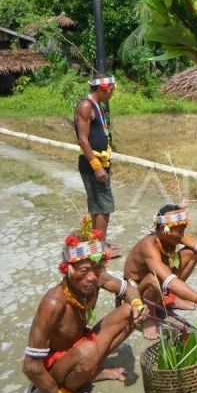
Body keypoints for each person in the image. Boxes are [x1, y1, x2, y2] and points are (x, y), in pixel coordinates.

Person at [22, 216, 146, 393]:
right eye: (83, 271)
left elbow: (129, 289)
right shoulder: (53, 303)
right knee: (87, 350)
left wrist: (137, 303)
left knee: (129, 312)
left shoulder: (98, 277)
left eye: (96, 269)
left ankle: (92, 372)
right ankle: (69, 392)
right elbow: (31, 367)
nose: (91, 277)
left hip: (81, 347)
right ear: (68, 271)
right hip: (56, 370)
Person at [123, 204, 197, 339]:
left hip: (163, 280)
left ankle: (169, 298)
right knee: (154, 279)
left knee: (192, 253)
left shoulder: (174, 235)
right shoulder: (148, 246)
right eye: (179, 231)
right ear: (163, 229)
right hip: (137, 291)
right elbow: (170, 280)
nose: (181, 235)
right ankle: (150, 313)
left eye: (183, 230)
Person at [74, 73, 118, 257]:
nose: (112, 94)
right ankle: (99, 249)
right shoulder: (86, 106)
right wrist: (96, 166)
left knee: (99, 205)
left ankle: (100, 243)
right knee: (103, 206)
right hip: (93, 165)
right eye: (111, 91)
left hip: (101, 162)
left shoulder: (97, 105)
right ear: (102, 88)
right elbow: (83, 140)